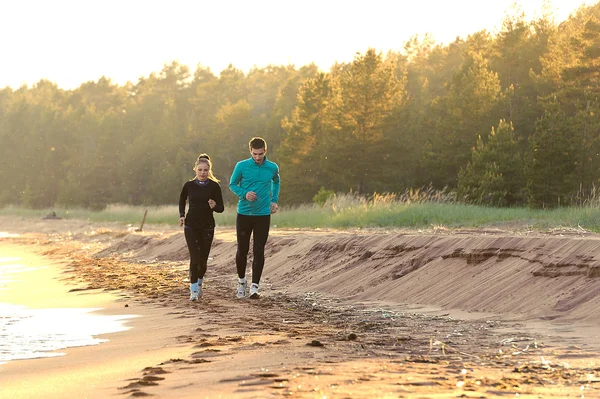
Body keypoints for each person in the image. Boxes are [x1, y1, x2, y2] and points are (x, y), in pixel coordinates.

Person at [229, 137, 280, 299]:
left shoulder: (272, 167)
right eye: (254, 154)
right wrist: (245, 193)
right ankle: (242, 282)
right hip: (244, 213)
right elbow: (232, 184)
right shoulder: (242, 166)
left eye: (260, 154)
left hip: (263, 215)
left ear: (265, 151)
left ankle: (255, 286)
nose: (257, 157)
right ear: (250, 151)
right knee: (242, 249)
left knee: (259, 250)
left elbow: (276, 181)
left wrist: (274, 200)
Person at [179, 154, 224, 301]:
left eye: (205, 170)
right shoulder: (189, 185)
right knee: (195, 258)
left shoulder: (214, 186)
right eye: (200, 170)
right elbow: (181, 200)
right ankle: (193, 291)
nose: (203, 173)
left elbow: (221, 208)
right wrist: (181, 215)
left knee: (203, 260)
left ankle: (199, 284)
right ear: (195, 169)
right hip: (191, 225)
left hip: (207, 226)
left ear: (209, 170)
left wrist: (214, 206)